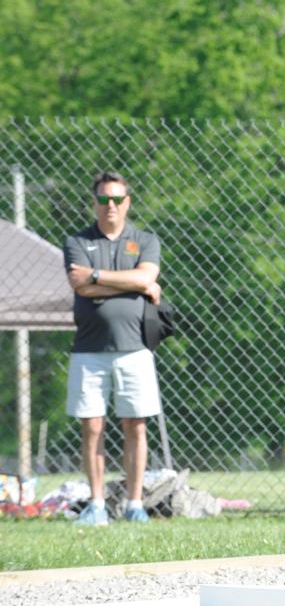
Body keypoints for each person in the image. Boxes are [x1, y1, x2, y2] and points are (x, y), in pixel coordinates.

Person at [63, 172, 163, 526]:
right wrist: (132, 284)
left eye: (117, 199)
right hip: (88, 349)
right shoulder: (77, 241)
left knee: (135, 425)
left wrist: (97, 276)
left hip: (135, 348)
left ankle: (135, 504)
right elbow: (80, 285)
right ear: (95, 203)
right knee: (92, 427)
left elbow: (144, 276)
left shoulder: (145, 240)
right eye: (104, 199)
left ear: (127, 203)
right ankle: (97, 504)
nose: (111, 206)